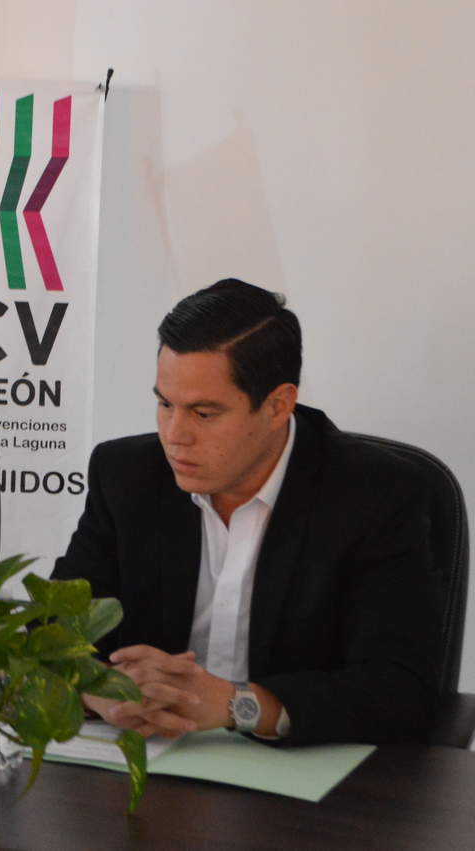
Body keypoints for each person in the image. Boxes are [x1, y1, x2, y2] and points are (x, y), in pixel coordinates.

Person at [52, 278, 441, 745]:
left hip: (304, 771)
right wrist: (97, 690)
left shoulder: (376, 494)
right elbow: (48, 635)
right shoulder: (126, 476)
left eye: (203, 413)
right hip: (149, 761)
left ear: (278, 406)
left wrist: (236, 705)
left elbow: (399, 689)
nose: (174, 436)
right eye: (165, 404)